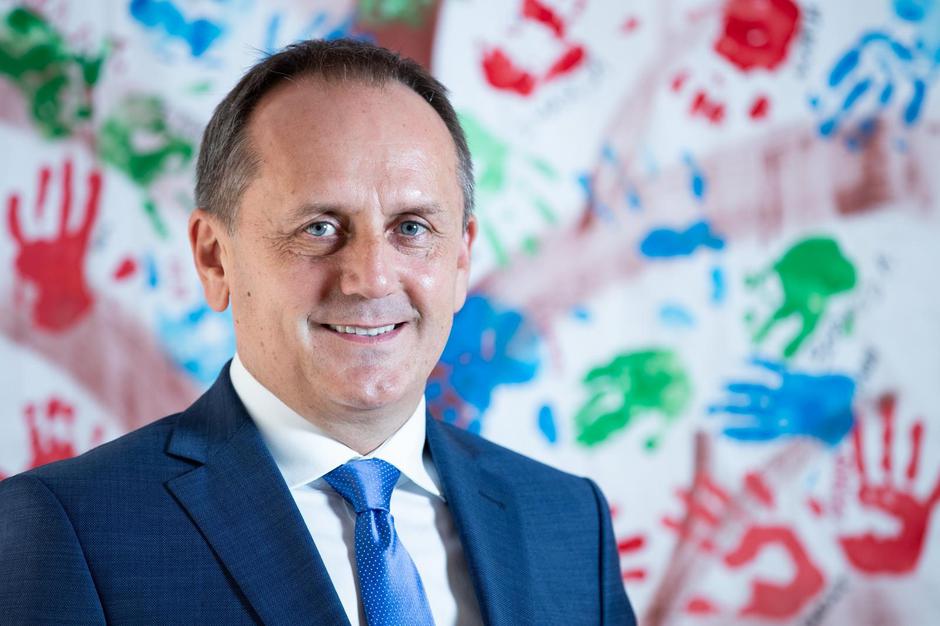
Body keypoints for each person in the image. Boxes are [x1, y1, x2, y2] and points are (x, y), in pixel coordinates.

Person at [0, 39, 635, 625]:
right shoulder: (68, 528)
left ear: (461, 258)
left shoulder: (568, 522)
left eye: (412, 227)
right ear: (215, 258)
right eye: (319, 228)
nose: (370, 279)